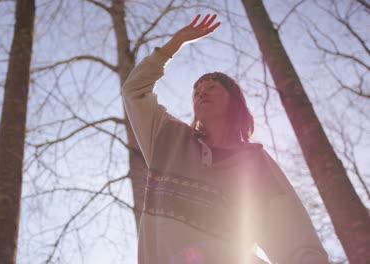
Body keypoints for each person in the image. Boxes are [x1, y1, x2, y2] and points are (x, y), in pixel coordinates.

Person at [121, 14, 329, 264]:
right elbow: (134, 91)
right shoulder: (167, 136)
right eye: (197, 91)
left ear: (234, 101)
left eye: (212, 88)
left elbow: (295, 239)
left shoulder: (256, 163)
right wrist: (172, 46)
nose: (201, 93)